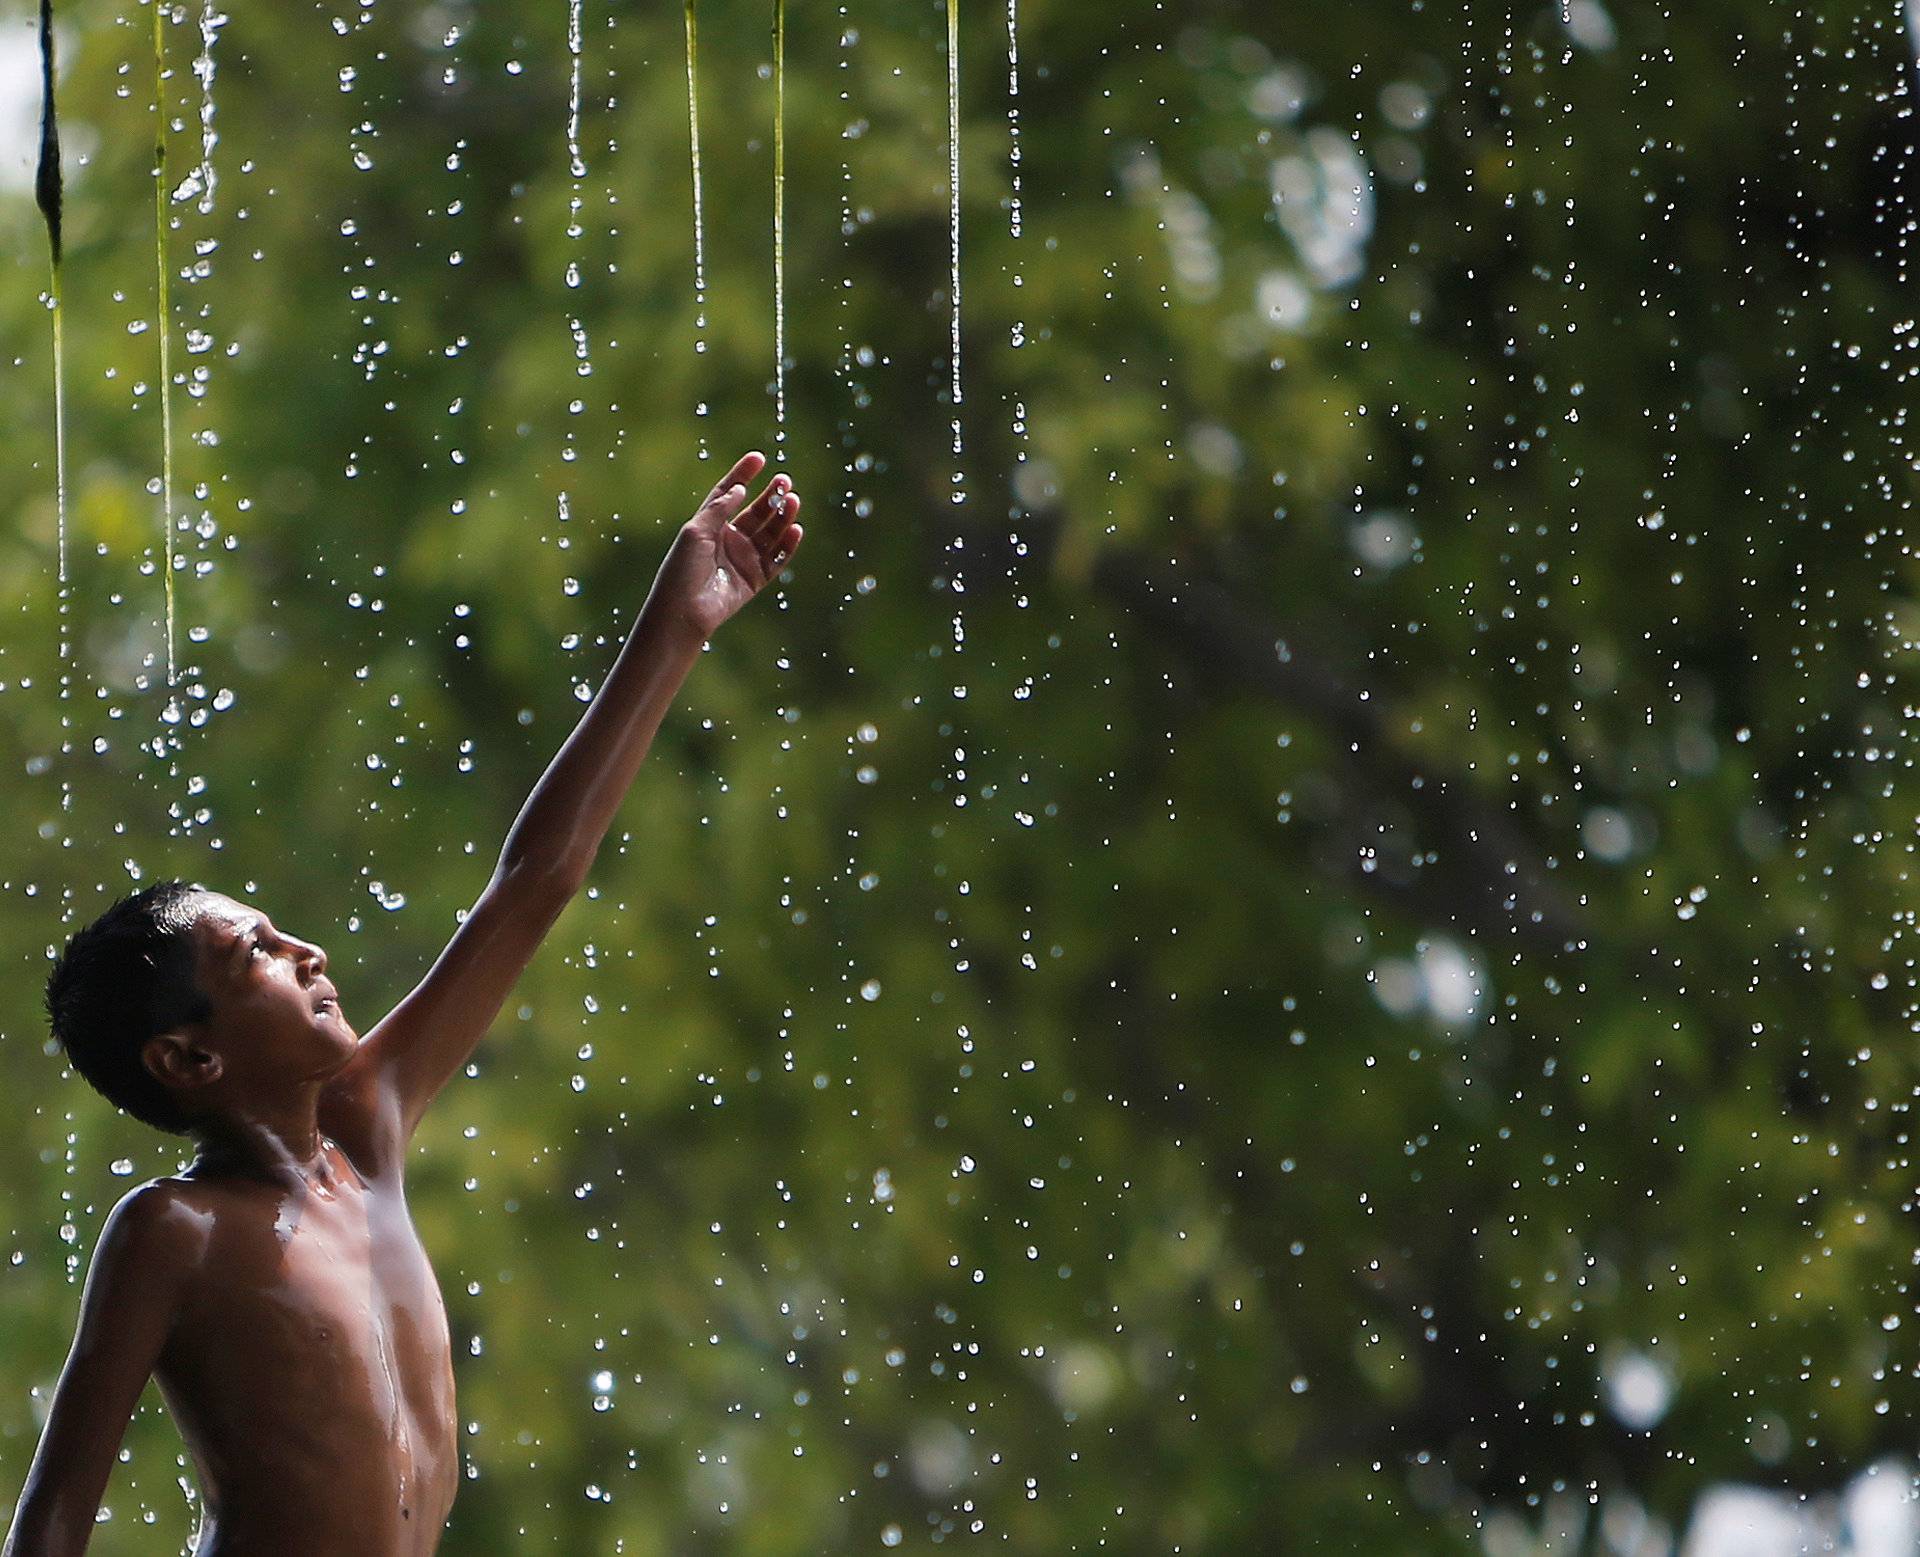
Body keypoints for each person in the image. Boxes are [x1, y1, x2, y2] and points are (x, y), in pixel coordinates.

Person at [1, 453, 804, 1557]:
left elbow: (536, 884)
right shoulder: (170, 1234)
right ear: (188, 1061)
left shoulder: (367, 1128)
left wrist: (677, 629)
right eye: (258, 958)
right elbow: (49, 1527)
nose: (308, 951)